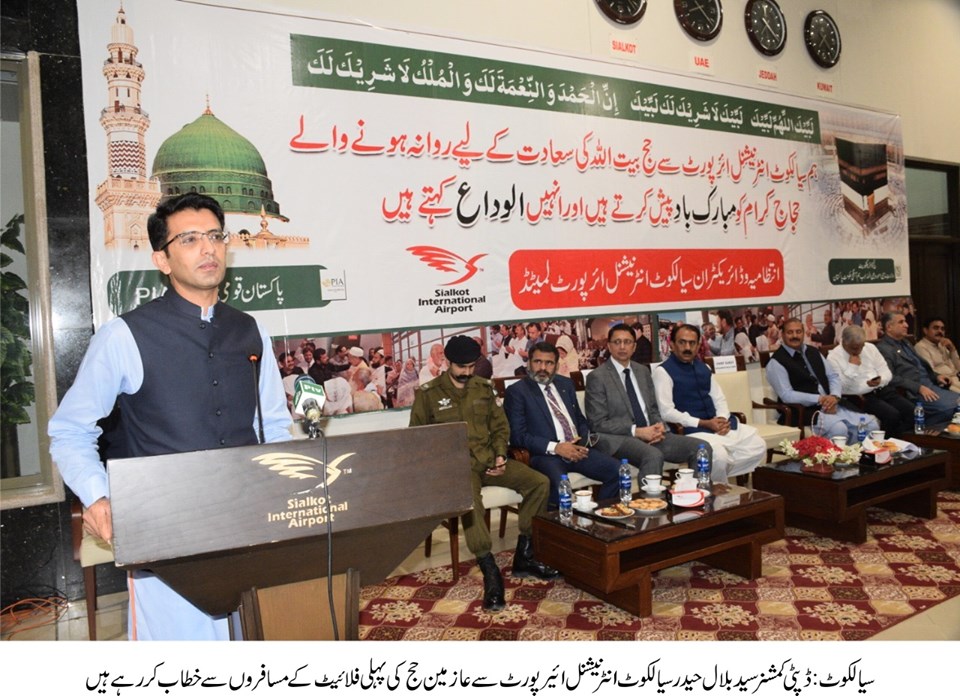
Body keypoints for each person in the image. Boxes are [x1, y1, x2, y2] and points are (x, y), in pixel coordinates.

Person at [48, 193, 292, 640]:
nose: (208, 248)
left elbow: (273, 425)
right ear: (162, 259)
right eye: (190, 239)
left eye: (215, 236)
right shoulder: (125, 336)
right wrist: (98, 498)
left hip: (248, 524)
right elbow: (69, 431)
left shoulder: (250, 330)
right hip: (166, 534)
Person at [408, 335, 557, 613]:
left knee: (539, 483)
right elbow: (417, 439)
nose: (467, 372)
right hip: (458, 467)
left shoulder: (483, 388)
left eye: (471, 367)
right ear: (447, 362)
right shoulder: (428, 394)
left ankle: (524, 555)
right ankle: (489, 568)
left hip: (490, 459)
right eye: (461, 367)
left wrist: (500, 455)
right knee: (470, 498)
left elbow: (501, 427)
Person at [585, 324, 708, 480]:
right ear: (609, 346)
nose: (622, 347)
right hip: (619, 439)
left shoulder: (642, 371)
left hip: (651, 435)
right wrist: (637, 431)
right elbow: (597, 423)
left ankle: (697, 492)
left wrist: (659, 426)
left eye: (627, 342)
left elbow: (653, 409)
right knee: (653, 455)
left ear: (634, 347)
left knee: (702, 448)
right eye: (617, 342)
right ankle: (649, 497)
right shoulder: (597, 377)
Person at [503, 342, 620, 506]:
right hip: (545, 455)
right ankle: (559, 522)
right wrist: (556, 447)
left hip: (576, 449)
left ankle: (601, 515)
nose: (542, 368)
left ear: (556, 366)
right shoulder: (517, 391)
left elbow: (579, 419)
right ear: (528, 363)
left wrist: (582, 441)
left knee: (618, 471)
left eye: (549, 363)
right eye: (537, 362)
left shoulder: (566, 384)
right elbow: (518, 436)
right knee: (561, 486)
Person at [652, 325, 765, 482]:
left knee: (758, 445)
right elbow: (666, 412)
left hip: (715, 426)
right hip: (690, 431)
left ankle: (715, 478)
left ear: (698, 345)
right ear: (672, 345)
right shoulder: (663, 372)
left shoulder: (704, 367)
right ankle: (716, 486)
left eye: (692, 343)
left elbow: (719, 398)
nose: (687, 347)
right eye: (682, 342)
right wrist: (704, 423)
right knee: (719, 455)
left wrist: (722, 420)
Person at [766, 317, 879, 441]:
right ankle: (840, 454)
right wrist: (820, 399)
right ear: (782, 335)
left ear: (803, 333)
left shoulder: (814, 352)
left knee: (871, 425)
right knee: (839, 428)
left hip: (832, 405)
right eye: (790, 332)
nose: (795, 336)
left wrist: (834, 396)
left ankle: (855, 453)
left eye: (798, 332)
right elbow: (786, 395)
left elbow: (833, 376)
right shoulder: (776, 362)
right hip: (804, 411)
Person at [827, 324, 914, 435]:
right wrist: (853, 367)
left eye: (861, 346)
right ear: (844, 342)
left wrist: (880, 380)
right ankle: (885, 443)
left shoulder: (870, 348)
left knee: (911, 411)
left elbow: (886, 372)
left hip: (882, 389)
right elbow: (840, 386)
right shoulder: (833, 357)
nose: (859, 351)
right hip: (861, 397)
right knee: (892, 415)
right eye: (854, 348)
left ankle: (901, 441)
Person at [877, 312, 958, 424]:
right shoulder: (883, 348)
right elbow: (890, 377)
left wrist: (937, 376)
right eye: (901, 322)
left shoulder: (905, 343)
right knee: (951, 409)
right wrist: (918, 388)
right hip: (914, 391)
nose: (906, 325)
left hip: (930, 385)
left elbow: (920, 365)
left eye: (905, 321)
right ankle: (924, 430)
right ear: (889, 327)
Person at [914, 316, 960, 393]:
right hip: (945, 383)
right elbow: (930, 373)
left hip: (956, 379)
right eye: (936, 328)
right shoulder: (921, 347)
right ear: (925, 330)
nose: (940, 331)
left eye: (942, 329)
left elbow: (958, 367)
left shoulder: (942, 344)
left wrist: (952, 349)